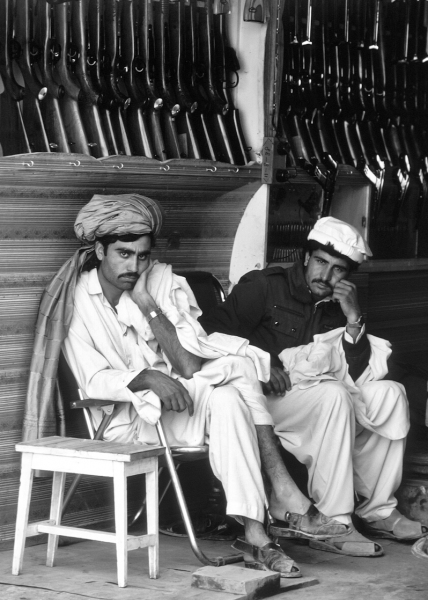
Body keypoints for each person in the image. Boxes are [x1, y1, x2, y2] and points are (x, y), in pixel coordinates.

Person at [23, 194, 348, 579]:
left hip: (178, 402)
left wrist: (145, 301)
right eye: (124, 255)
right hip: (127, 419)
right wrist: (144, 377)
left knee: (229, 394)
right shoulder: (77, 302)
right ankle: (281, 492)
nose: (135, 265)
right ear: (99, 250)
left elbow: (188, 364)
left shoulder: (158, 283)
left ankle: (256, 533)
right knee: (239, 368)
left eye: (142, 256)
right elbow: (93, 380)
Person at [200, 216, 428, 557]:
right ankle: (335, 520)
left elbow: (358, 372)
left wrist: (354, 319)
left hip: (316, 396)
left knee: (390, 394)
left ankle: (378, 511)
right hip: (262, 399)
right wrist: (261, 361)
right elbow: (208, 337)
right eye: (321, 262)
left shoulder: (338, 304)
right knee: (333, 396)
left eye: (338, 269)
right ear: (305, 258)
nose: (326, 275)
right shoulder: (263, 286)